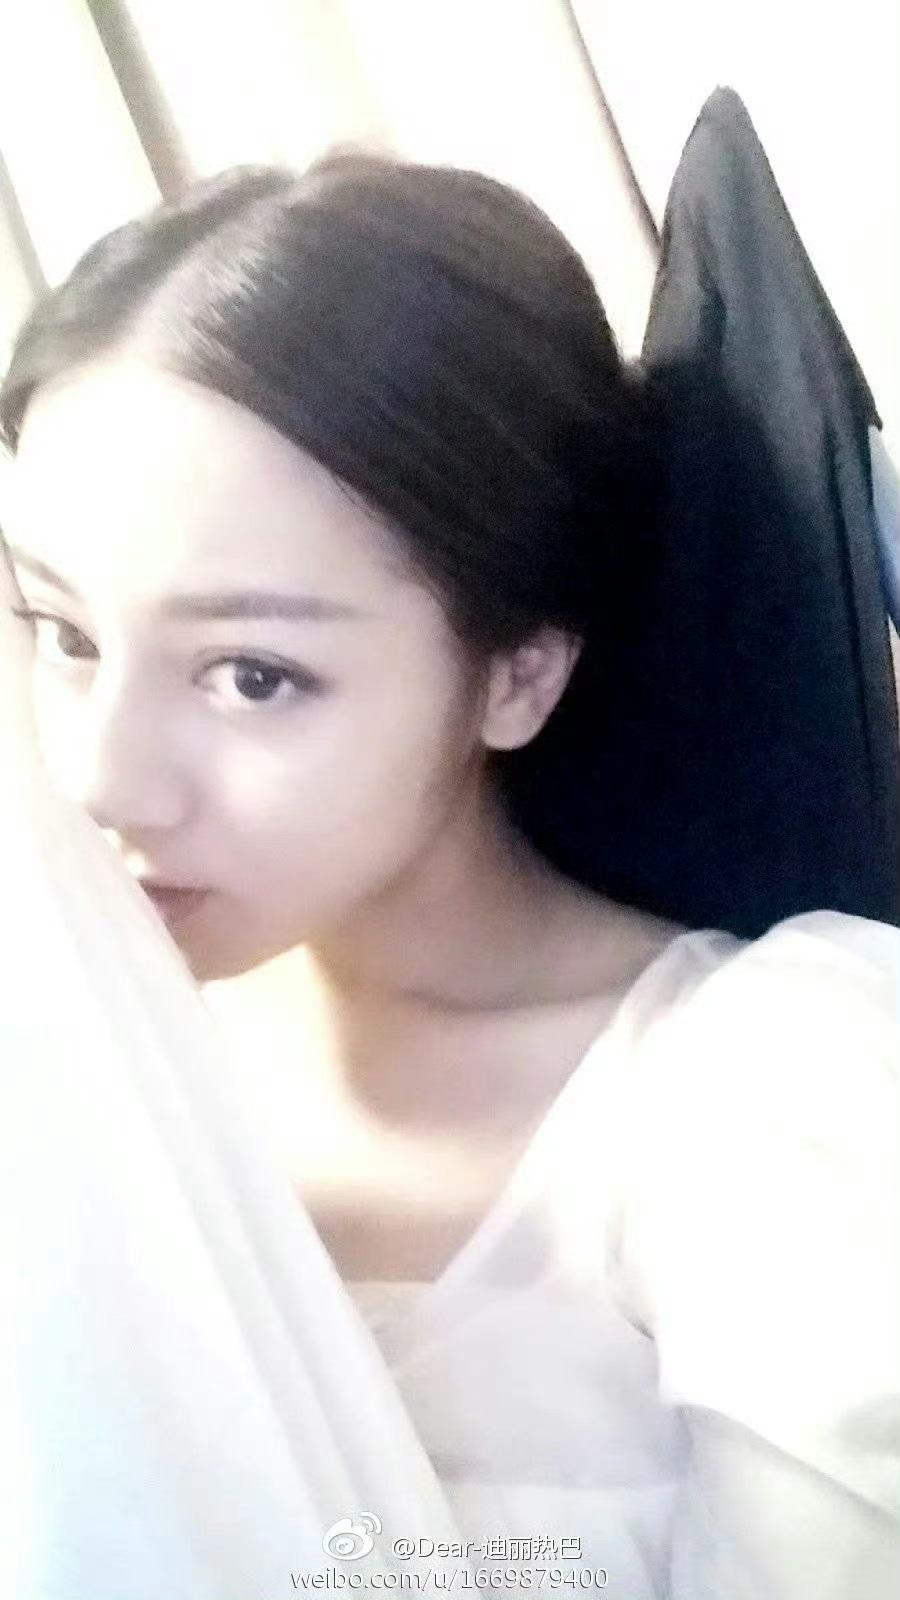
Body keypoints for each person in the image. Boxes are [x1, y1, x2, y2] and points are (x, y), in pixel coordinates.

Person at [1, 152, 898, 1599]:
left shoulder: (760, 1101)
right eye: (66, 634)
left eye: (252, 675)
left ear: (516, 672)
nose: (105, 779)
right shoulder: (74, 1052)